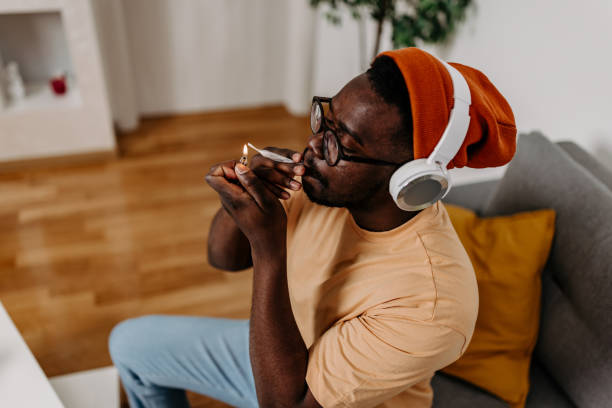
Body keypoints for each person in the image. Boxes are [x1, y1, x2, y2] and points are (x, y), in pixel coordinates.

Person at [108, 47, 516, 407]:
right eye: (326, 118)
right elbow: (223, 259)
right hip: (278, 348)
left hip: (311, 397)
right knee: (128, 345)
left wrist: (269, 250)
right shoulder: (325, 182)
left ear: (409, 181)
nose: (315, 145)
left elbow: (285, 404)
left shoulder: (435, 306)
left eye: (344, 144)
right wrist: (244, 199)